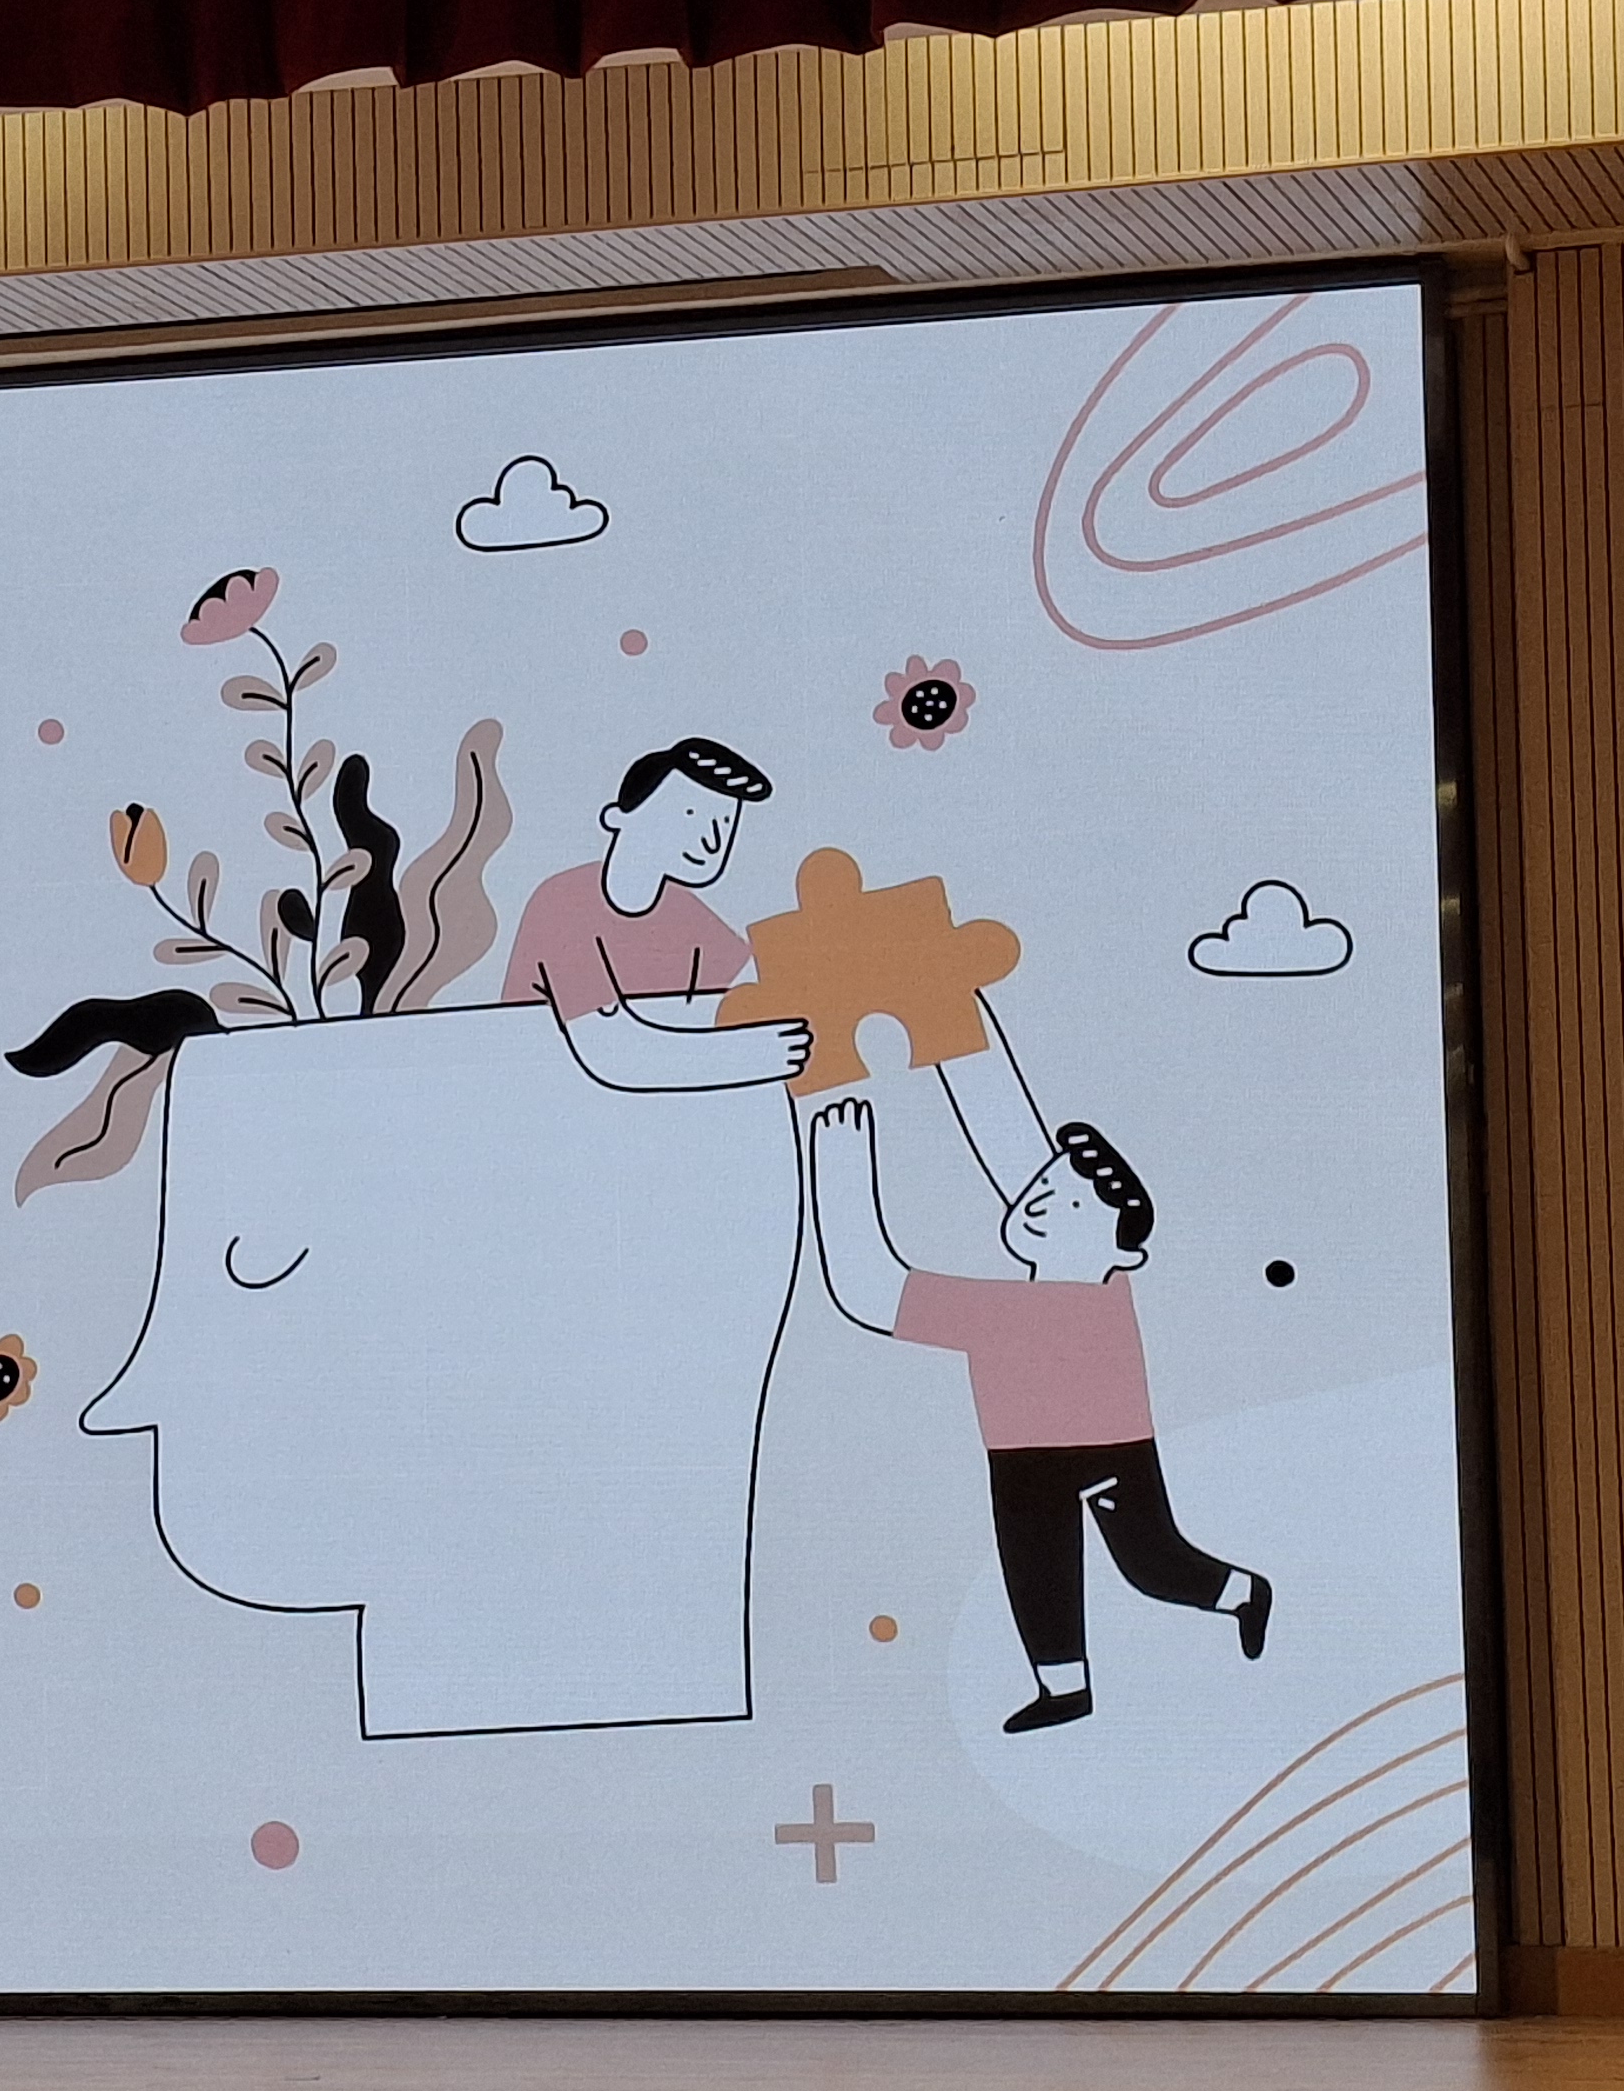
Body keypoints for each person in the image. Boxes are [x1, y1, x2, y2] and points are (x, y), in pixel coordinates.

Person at [803, 1091, 1272, 1734]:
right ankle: (1064, 1687)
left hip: (1110, 1446)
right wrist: (963, 1057)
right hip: (1023, 1454)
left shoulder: (1007, 1312)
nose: (1039, 1202)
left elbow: (871, 1288)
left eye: (1071, 1204)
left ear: (1124, 1255)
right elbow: (1022, 1161)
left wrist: (839, 1175)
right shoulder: (1087, 1283)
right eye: (1045, 1186)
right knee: (1036, 1567)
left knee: (1149, 1564)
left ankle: (1243, 1593)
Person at [503, 738, 813, 1091]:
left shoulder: (688, 916)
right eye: (690, 814)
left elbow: (750, 995)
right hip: (543, 1094)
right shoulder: (562, 903)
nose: (712, 840)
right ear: (617, 818)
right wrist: (748, 1055)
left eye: (725, 822)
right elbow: (611, 1052)